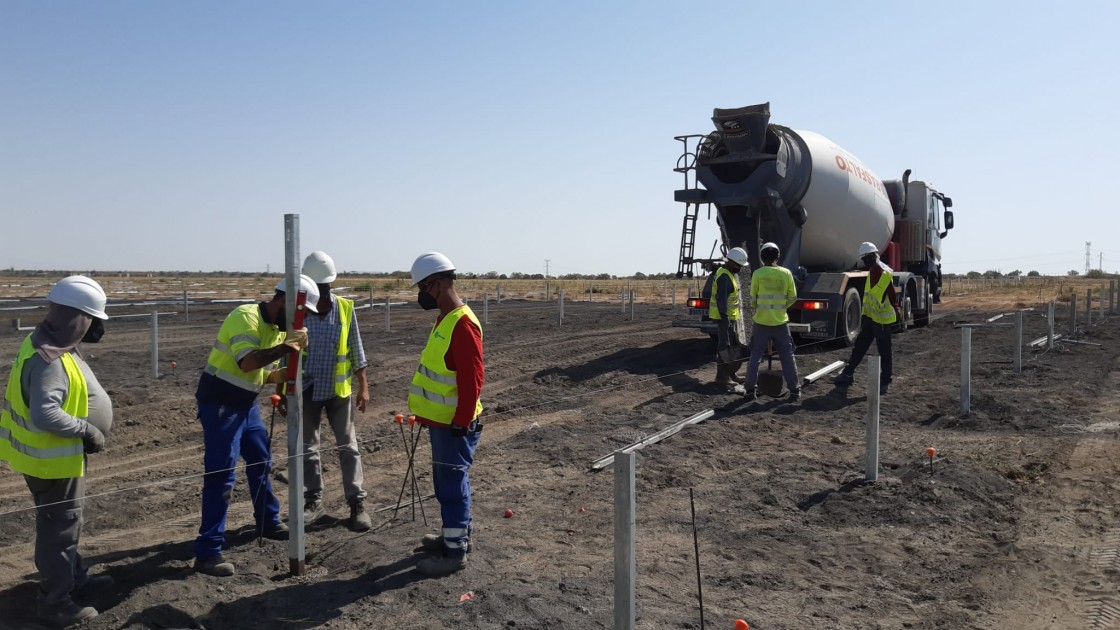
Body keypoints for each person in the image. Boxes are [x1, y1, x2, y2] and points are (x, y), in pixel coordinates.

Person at [0, 276, 114, 626]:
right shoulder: (48, 358)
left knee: (63, 526)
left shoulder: (46, 340)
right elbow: (45, 413)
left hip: (48, 459)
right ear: (79, 317)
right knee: (59, 531)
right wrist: (89, 430)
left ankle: (74, 578)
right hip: (52, 462)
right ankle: (55, 603)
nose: (95, 327)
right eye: (92, 319)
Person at [192, 275, 317, 577]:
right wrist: (287, 347)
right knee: (222, 475)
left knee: (261, 461)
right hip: (220, 403)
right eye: (301, 313)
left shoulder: (275, 329)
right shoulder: (245, 316)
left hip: (245, 405)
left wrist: (280, 377)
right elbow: (247, 363)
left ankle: (268, 520)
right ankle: (208, 550)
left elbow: (259, 373)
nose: (302, 321)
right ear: (286, 302)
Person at [407, 252, 485, 578]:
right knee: (448, 483)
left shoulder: (462, 325)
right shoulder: (444, 319)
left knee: (452, 486)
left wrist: (461, 422)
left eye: (423, 287)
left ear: (437, 284)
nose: (420, 295)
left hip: (455, 426)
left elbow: (472, 380)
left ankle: (454, 553)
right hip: (442, 423)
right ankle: (455, 535)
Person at [299, 251, 372, 532]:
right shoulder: (298, 310)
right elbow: (288, 352)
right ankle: (313, 502)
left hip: (338, 391)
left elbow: (356, 348)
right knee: (307, 449)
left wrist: (363, 386)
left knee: (348, 447)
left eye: (326, 286)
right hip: (306, 390)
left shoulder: (345, 308)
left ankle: (357, 504)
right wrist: (282, 389)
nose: (322, 292)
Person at [835, 242, 902, 395]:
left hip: (883, 321)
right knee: (859, 346)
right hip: (871, 318)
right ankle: (848, 373)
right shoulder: (872, 271)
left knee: (885, 352)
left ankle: (885, 381)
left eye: (865, 258)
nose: (864, 261)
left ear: (872, 256)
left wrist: (897, 311)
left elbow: (892, 297)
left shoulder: (884, 274)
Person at [743, 242, 801, 401]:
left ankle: (749, 390)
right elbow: (792, 297)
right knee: (787, 356)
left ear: (762, 258)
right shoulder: (786, 273)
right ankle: (794, 390)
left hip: (761, 322)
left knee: (755, 356)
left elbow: (752, 298)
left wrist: (761, 310)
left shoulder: (758, 274)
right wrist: (781, 308)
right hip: (781, 322)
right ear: (778, 256)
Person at [711, 247, 749, 387]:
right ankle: (722, 377)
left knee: (732, 346)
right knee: (724, 346)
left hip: (729, 318)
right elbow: (722, 301)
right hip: (724, 318)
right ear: (732, 262)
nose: (740, 268)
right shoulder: (725, 277)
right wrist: (726, 320)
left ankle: (731, 374)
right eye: (739, 265)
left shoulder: (727, 273)